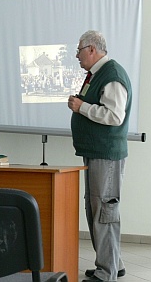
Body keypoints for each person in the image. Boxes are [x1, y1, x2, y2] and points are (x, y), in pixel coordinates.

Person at [68, 30, 132, 282]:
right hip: (96, 153)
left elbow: (115, 117)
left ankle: (107, 273)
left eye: (79, 50)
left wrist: (81, 107)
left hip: (106, 155)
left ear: (92, 49)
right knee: (97, 208)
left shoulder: (112, 75)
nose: (77, 55)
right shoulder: (97, 74)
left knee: (104, 211)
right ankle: (113, 263)